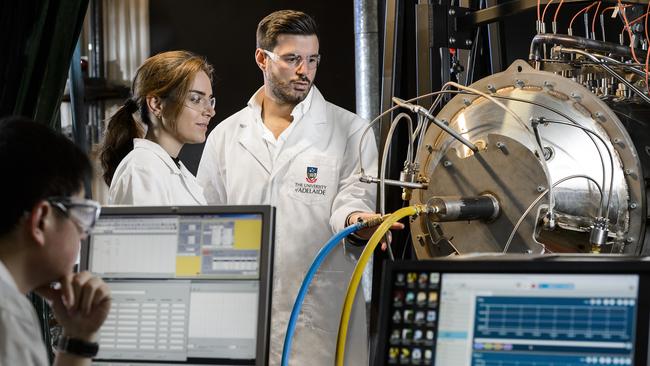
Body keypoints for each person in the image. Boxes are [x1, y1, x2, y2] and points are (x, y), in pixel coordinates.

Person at [197, 10, 401, 365]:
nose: (304, 71)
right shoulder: (226, 136)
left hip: (319, 322)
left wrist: (357, 222)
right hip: (242, 322)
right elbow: (206, 223)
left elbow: (352, 202)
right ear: (263, 58)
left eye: (312, 60)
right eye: (292, 59)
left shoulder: (350, 130)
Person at [0, 116, 111, 365]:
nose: (84, 234)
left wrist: (79, 334)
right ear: (41, 221)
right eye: (81, 216)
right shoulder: (8, 315)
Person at [100, 50, 216, 205]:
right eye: (195, 99)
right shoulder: (142, 169)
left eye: (209, 100)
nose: (210, 111)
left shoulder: (171, 168)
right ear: (156, 104)